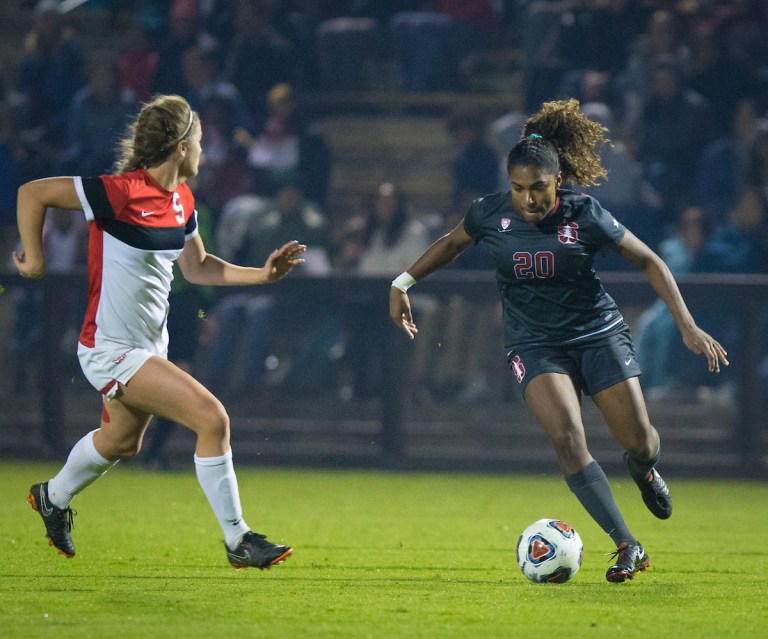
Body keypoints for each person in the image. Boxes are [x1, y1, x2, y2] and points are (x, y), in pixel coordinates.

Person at [388, 98, 729, 583]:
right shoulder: (490, 213)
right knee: (568, 440)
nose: (528, 199)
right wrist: (402, 282)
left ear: (558, 181)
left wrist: (688, 325)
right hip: (534, 343)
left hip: (597, 334)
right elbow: (450, 244)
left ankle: (646, 469)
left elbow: (650, 260)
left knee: (640, 440)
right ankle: (627, 543)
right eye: (519, 188)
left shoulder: (584, 213)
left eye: (539, 188)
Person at [14, 94, 305, 570]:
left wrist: (263, 275)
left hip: (149, 345)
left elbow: (199, 267)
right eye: (200, 143)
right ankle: (239, 541)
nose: (204, 152)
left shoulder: (182, 199)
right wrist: (36, 260)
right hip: (110, 348)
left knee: (122, 442)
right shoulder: (119, 191)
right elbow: (33, 193)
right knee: (212, 419)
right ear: (179, 146)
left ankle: (52, 496)